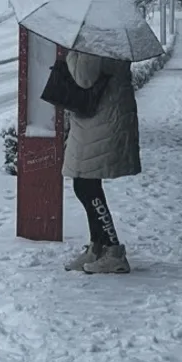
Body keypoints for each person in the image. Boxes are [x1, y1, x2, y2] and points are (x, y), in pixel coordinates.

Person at [62, 48, 140, 274]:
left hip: (102, 119)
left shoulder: (96, 39)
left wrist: (73, 52)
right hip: (100, 118)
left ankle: (113, 251)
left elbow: (84, 78)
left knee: (86, 185)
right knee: (85, 183)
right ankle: (98, 247)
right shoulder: (106, 36)